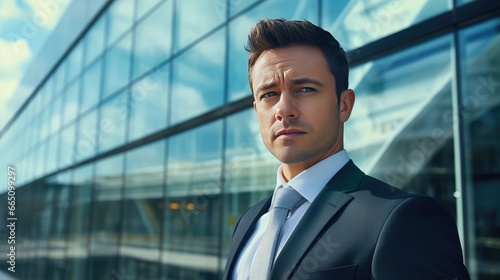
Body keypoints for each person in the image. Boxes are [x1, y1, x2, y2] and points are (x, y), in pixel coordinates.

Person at [223, 18, 470, 280]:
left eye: (305, 89)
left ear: (344, 105)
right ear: (257, 111)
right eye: (269, 94)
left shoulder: (403, 220)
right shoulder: (249, 221)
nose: (283, 110)